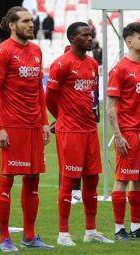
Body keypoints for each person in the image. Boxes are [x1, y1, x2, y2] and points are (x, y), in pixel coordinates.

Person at [0, 7, 52, 251]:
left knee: (33, 180)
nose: (31, 24)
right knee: (7, 179)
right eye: (25, 21)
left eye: (31, 20)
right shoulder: (2, 52)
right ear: (12, 25)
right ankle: (4, 238)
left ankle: (29, 235)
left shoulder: (36, 50)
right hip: (12, 126)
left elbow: (38, 89)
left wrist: (44, 121)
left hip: (34, 126)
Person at [46, 22, 113, 246]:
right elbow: (49, 98)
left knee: (92, 179)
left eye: (90, 34)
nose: (90, 38)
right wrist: (62, 117)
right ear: (73, 39)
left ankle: (90, 231)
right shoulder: (61, 64)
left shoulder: (92, 64)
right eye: (85, 35)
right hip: (71, 130)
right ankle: (63, 234)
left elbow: (92, 96)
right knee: (69, 180)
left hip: (89, 129)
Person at [107, 22, 140, 240]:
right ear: (129, 42)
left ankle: (136, 227)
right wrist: (118, 135)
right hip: (128, 133)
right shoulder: (119, 69)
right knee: (122, 179)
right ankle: (119, 229)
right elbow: (110, 107)